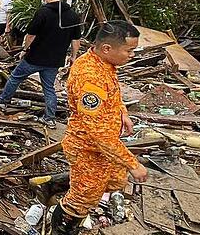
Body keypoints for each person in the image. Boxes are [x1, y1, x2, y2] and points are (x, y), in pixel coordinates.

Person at [51, 20, 149, 234]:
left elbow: (112, 93)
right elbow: (99, 134)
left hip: (102, 147)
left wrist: (122, 112)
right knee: (83, 198)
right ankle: (61, 228)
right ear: (106, 48)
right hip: (88, 147)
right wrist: (132, 163)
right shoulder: (91, 78)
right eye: (129, 51)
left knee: (114, 179)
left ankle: (52, 184)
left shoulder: (104, 63)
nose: (132, 55)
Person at [0, 0, 81, 128]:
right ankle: (50, 118)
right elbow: (76, 39)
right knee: (49, 88)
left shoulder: (43, 12)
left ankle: (3, 101)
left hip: (35, 58)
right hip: (55, 60)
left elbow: (31, 35)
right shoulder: (72, 15)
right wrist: (74, 57)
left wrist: (24, 50)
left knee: (15, 77)